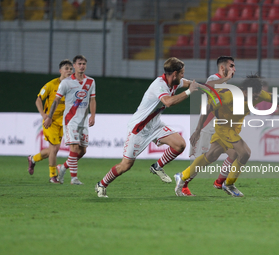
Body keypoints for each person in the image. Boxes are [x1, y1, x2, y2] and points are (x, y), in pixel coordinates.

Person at [174, 74, 279, 197]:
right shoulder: (228, 96)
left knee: (212, 155)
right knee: (245, 153)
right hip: (223, 127)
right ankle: (229, 184)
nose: (257, 99)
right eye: (254, 96)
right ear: (245, 91)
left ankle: (183, 176)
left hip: (235, 127)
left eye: (257, 96)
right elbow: (207, 108)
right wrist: (198, 130)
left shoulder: (259, 95)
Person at [95, 57, 205, 198]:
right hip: (139, 128)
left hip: (155, 125)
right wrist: (189, 92)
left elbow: (190, 83)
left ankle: (157, 166)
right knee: (126, 165)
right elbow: (168, 102)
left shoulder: (175, 82)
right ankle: (102, 184)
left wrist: (206, 89)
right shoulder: (159, 85)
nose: (184, 75)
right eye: (182, 73)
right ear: (175, 73)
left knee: (180, 144)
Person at [185, 56, 238, 196]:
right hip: (206, 127)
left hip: (220, 128)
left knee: (235, 152)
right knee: (200, 161)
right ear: (222, 68)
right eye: (231, 66)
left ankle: (220, 183)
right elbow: (210, 87)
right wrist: (197, 130)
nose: (234, 69)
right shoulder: (213, 78)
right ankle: (183, 183)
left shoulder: (226, 86)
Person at [44, 55, 96, 185]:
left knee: (82, 151)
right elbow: (56, 100)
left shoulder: (90, 82)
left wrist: (93, 116)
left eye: (84, 63)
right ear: (74, 66)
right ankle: (74, 178)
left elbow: (92, 99)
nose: (82, 66)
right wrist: (49, 116)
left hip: (83, 121)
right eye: (79, 64)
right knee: (74, 148)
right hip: (70, 120)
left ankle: (63, 167)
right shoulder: (66, 82)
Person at [27, 59, 73, 183]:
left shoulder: (72, 86)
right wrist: (44, 115)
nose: (69, 71)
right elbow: (38, 99)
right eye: (66, 68)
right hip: (50, 121)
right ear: (60, 71)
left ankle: (33, 159)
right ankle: (53, 176)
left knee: (54, 150)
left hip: (62, 122)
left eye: (70, 69)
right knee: (53, 150)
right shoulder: (51, 84)